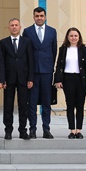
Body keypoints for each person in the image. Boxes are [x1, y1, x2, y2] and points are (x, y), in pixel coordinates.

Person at [23, 7, 58, 138]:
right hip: (32, 72)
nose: (39, 18)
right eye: (37, 16)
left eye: (41, 16)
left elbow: (54, 50)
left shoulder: (52, 31)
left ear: (45, 17)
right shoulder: (27, 31)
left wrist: (50, 66)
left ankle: (46, 129)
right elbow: (25, 52)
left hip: (47, 71)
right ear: (33, 17)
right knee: (32, 102)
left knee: (46, 101)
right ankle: (32, 129)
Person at [53, 27, 86, 139]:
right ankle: (72, 130)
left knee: (80, 105)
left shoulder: (83, 49)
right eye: (71, 36)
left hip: (80, 80)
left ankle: (78, 130)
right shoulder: (63, 49)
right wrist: (57, 80)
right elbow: (58, 65)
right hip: (68, 79)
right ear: (67, 37)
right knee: (70, 105)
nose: (73, 38)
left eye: (75, 36)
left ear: (79, 37)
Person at [0, 18, 33, 140]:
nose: (14, 27)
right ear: (9, 27)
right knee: (8, 106)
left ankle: (23, 130)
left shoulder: (27, 42)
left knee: (23, 106)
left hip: (23, 79)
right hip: (9, 79)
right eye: (12, 25)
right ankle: (8, 130)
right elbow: (1, 62)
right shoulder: (3, 42)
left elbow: (30, 61)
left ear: (20, 27)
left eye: (16, 25)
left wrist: (30, 78)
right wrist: (2, 79)